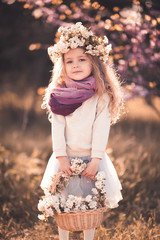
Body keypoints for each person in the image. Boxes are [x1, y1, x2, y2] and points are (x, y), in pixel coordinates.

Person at [40, 22, 124, 240]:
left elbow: (101, 127)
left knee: (90, 204)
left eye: (82, 59)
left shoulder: (100, 95)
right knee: (64, 204)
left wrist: (96, 159)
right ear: (63, 65)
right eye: (69, 61)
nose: (75, 65)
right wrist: (61, 156)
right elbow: (57, 127)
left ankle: (88, 238)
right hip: (65, 157)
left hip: (92, 158)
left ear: (93, 61)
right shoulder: (58, 94)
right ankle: (63, 237)